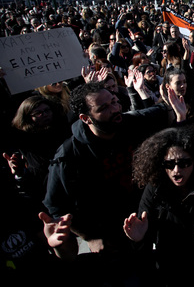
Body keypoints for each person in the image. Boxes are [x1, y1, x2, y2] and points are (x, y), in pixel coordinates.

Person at [43, 81, 181, 283]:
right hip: (112, 238)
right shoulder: (68, 156)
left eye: (114, 101)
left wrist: (173, 105)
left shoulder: (129, 122)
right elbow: (56, 208)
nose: (115, 109)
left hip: (149, 219)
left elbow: (165, 113)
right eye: (103, 108)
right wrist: (90, 237)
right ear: (85, 118)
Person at [123, 127, 194, 287]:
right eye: (169, 163)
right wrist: (139, 239)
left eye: (184, 163)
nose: (177, 170)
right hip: (166, 268)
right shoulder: (154, 188)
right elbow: (144, 244)